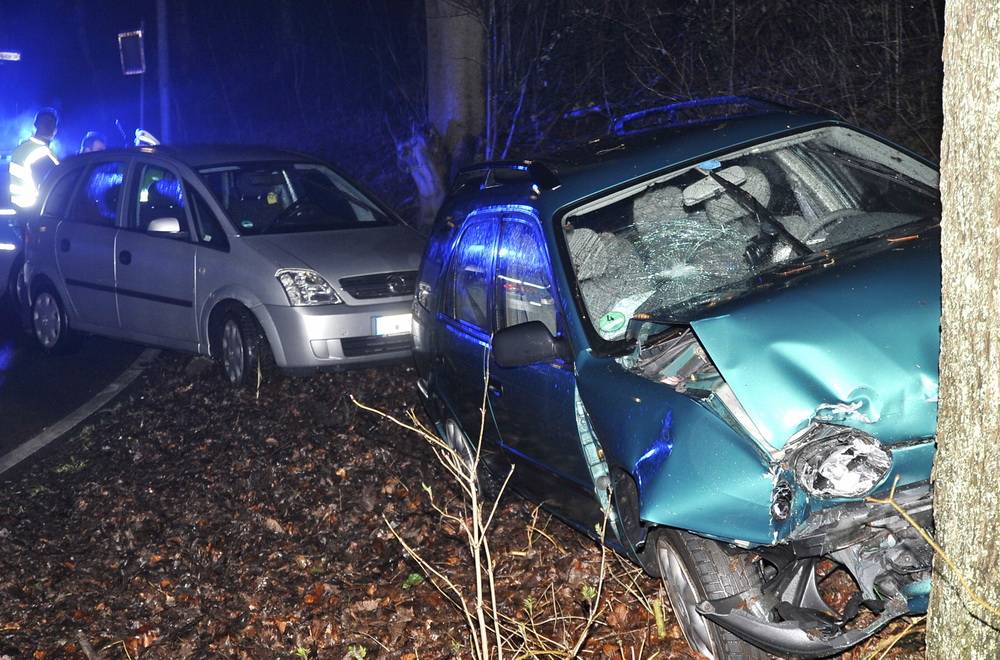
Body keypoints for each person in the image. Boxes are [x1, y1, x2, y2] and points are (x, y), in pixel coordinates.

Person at [8, 107, 60, 210]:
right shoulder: (43, 153)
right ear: (55, 130)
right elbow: (52, 188)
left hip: (18, 208)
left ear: (35, 126)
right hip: (35, 210)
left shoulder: (20, 149)